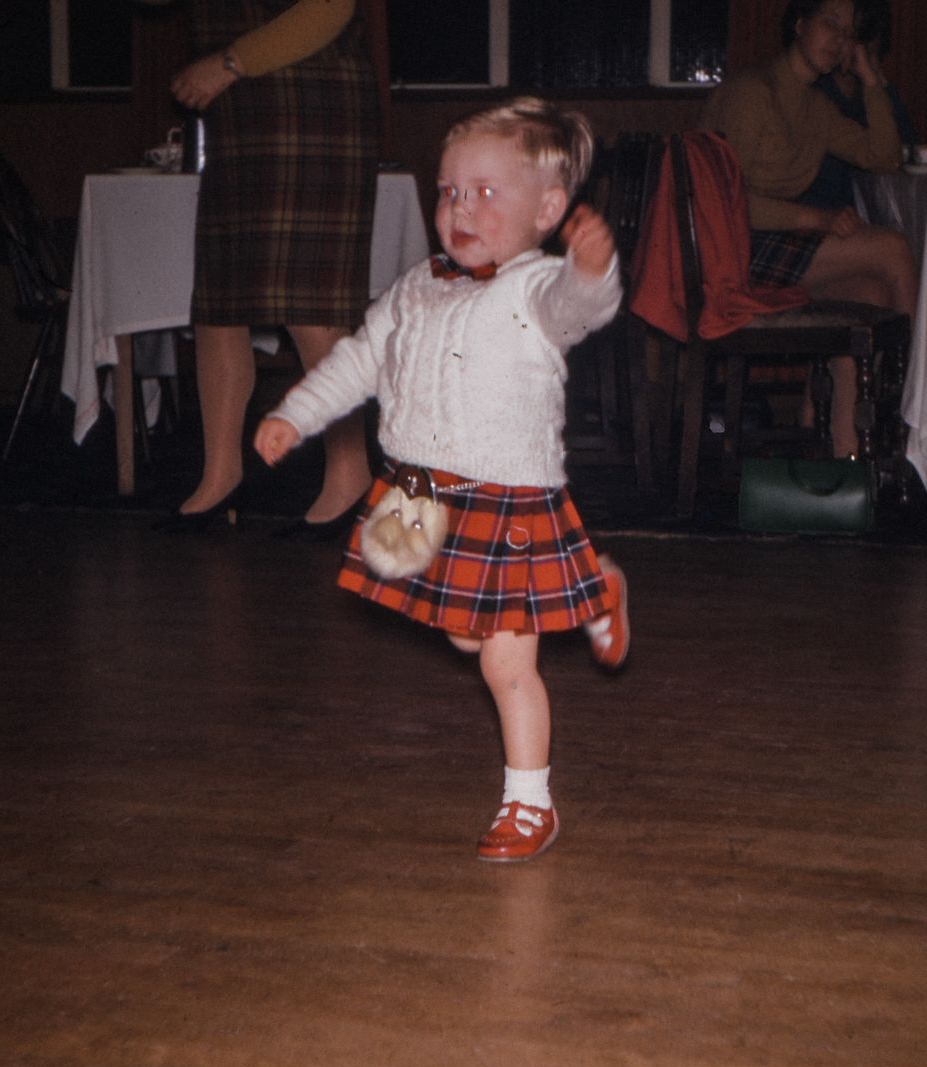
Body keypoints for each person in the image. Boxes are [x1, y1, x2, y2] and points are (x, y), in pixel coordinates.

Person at [252, 99, 630, 864]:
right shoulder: (417, 287)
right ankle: (594, 580)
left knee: (503, 661)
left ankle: (529, 804)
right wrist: (296, 414)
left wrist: (593, 272)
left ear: (547, 211)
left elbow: (577, 308)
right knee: (463, 633)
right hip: (421, 501)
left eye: (486, 192)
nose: (460, 206)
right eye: (449, 190)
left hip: (505, 502)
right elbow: (359, 360)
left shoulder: (532, 289)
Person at [154, 0, 380, 535]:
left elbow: (331, 7)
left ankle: (350, 479)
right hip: (241, 115)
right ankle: (220, 478)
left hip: (314, 103)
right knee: (219, 303)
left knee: (313, 305)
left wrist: (228, 63)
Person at [700, 0, 916, 458]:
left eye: (849, 31)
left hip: (770, 244)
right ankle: (915, 418)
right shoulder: (754, 91)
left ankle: (843, 453)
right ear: (799, 25)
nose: (839, 38)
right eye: (829, 24)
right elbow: (727, 201)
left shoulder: (813, 105)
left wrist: (871, 79)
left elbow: (884, 156)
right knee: (893, 250)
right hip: (734, 251)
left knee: (868, 294)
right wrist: (816, 219)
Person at [800, 0, 918, 213]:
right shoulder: (818, 90)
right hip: (817, 213)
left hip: (861, 214)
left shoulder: (872, 93)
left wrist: (877, 81)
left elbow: (906, 151)